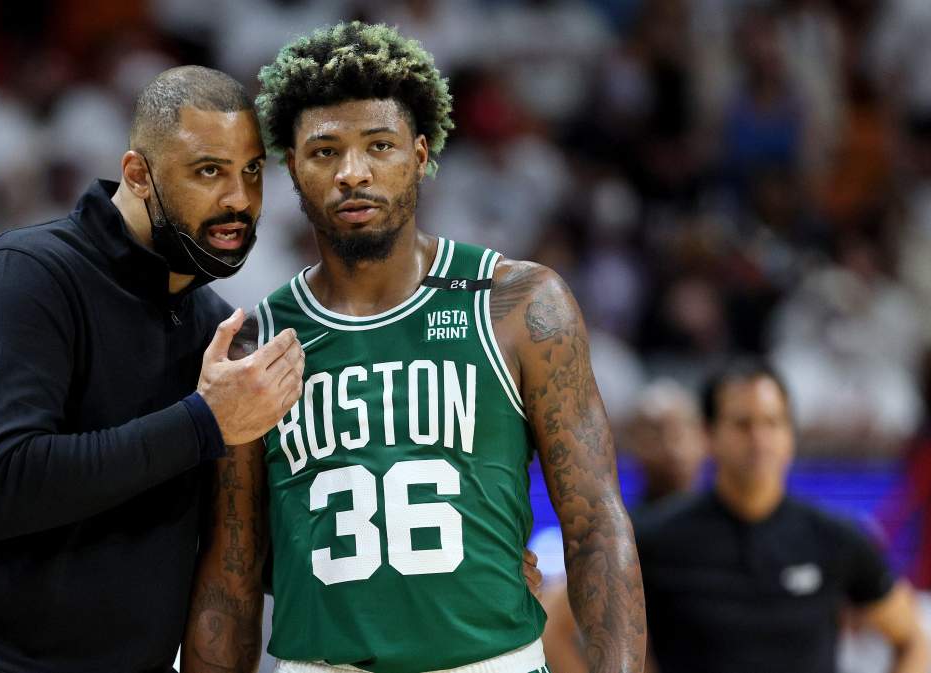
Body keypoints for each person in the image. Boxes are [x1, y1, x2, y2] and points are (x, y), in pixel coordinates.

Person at [183, 22, 645, 673]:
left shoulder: (517, 303)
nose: (353, 173)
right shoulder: (257, 344)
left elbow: (595, 523)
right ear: (292, 167)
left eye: (380, 145)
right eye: (324, 152)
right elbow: (231, 573)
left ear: (421, 154)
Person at [0, 66, 305, 673]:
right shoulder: (20, 276)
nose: (238, 199)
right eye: (209, 171)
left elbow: (234, 558)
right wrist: (203, 423)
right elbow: (3, 487)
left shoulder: (218, 331)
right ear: (138, 174)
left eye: (252, 171)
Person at [634, 359, 930, 673]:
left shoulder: (835, 539)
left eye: (772, 422)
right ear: (709, 434)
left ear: (790, 434)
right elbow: (596, 639)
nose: (759, 440)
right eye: (743, 424)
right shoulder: (655, 540)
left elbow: (913, 639)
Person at [542, 379, 705, 673]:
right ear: (631, 441)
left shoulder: (722, 525)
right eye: (656, 432)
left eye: (682, 430)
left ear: (704, 437)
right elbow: (552, 625)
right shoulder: (626, 532)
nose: (672, 446)